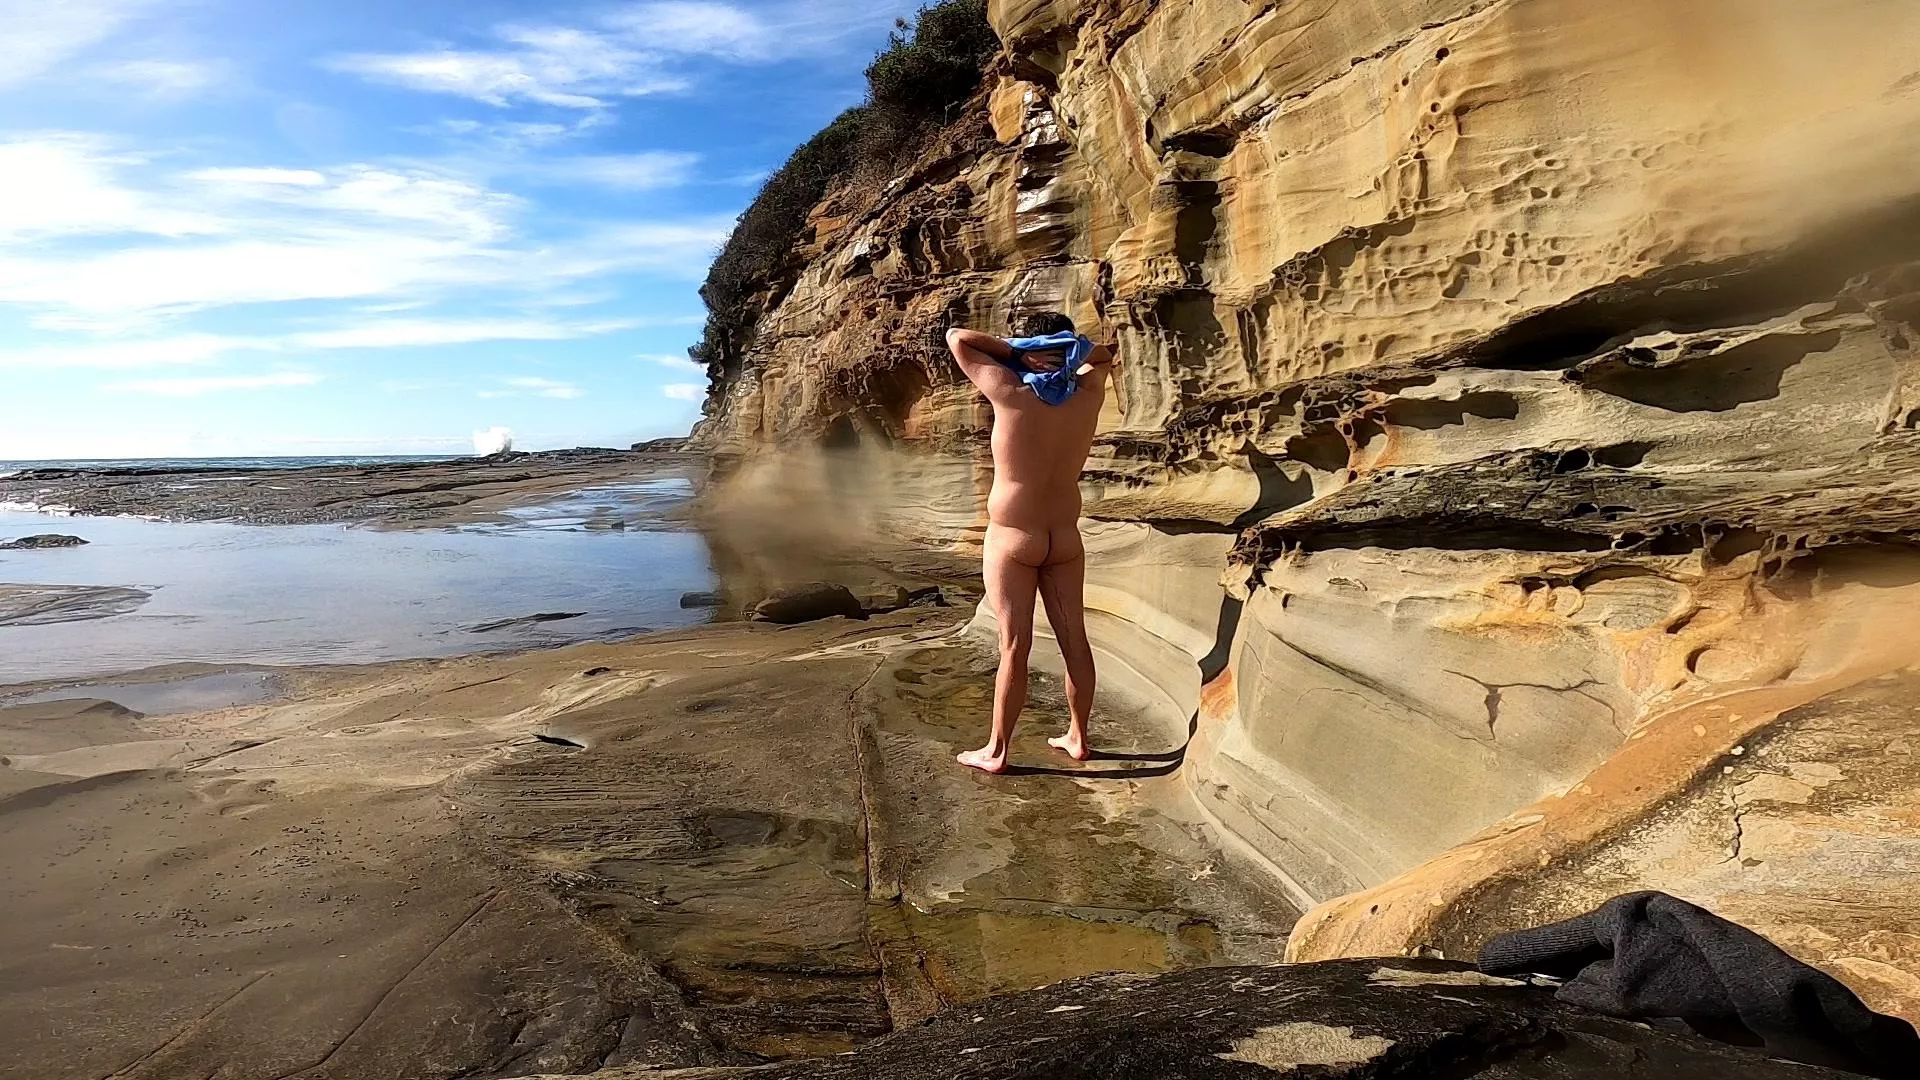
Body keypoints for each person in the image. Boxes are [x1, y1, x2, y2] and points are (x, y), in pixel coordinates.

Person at [943, 312, 1115, 774]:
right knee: (1074, 640)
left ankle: (996, 751)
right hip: (1064, 537)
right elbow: (1102, 355)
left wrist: (1018, 351)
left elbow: (957, 338)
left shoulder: (1010, 390)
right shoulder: (1087, 394)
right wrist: (1071, 349)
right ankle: (1079, 737)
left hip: (1013, 539)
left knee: (1013, 646)